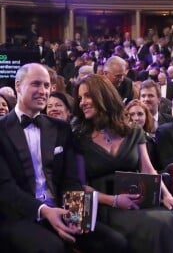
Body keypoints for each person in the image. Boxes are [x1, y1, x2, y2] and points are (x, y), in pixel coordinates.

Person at [0, 63, 128, 253]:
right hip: (20, 215)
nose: (43, 91)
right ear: (18, 86)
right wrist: (44, 211)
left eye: (47, 85)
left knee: (115, 242)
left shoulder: (61, 128)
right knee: (55, 249)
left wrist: (76, 216)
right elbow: (5, 187)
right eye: (36, 84)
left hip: (62, 210)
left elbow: (71, 181)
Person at [71, 74, 173, 253]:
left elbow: (148, 169)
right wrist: (115, 201)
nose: (82, 102)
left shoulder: (133, 132)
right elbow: (80, 186)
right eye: (80, 98)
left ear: (104, 96)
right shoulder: (78, 137)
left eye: (87, 96)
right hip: (102, 206)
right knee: (161, 226)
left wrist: (167, 196)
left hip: (135, 199)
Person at [125, 99, 158, 168]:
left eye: (140, 114)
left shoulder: (152, 142)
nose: (136, 118)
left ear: (146, 117)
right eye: (132, 114)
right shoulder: (119, 141)